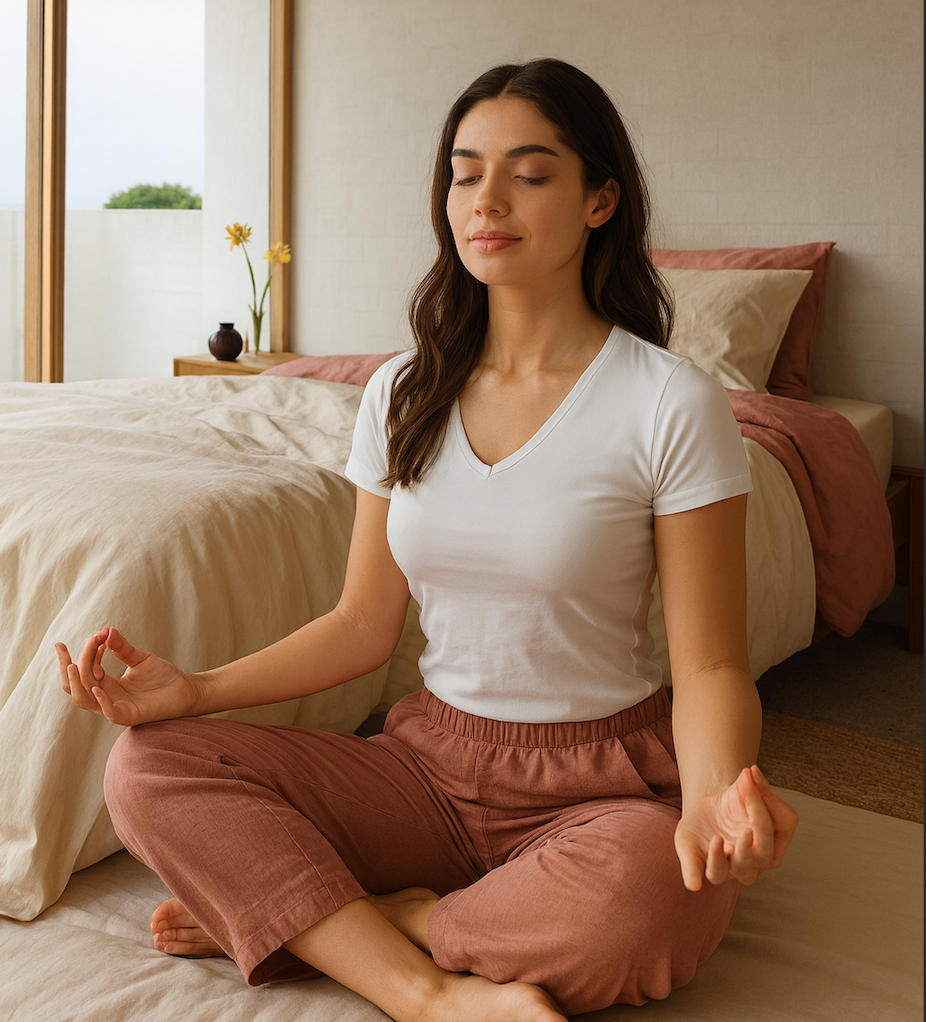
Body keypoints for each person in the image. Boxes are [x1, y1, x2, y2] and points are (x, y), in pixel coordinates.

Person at [57, 58, 797, 1021]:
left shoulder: (670, 401)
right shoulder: (404, 391)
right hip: (425, 769)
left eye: (529, 174)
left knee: (650, 894)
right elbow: (362, 624)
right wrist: (195, 690)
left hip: (599, 786)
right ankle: (422, 988)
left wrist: (707, 802)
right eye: (464, 171)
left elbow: (707, 667)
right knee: (150, 765)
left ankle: (344, 918)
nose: (486, 199)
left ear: (600, 200)